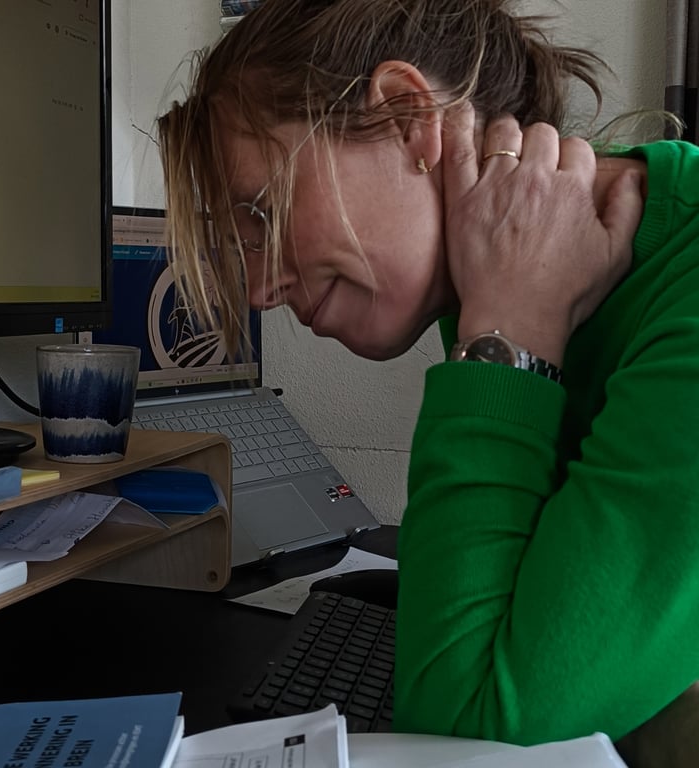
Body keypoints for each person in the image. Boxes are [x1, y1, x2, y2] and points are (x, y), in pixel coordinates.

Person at [156, 0, 699, 762]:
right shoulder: (485, 285)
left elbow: (472, 736)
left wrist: (512, 332)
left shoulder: (588, 299)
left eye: (262, 211)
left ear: (411, 119)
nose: (259, 290)